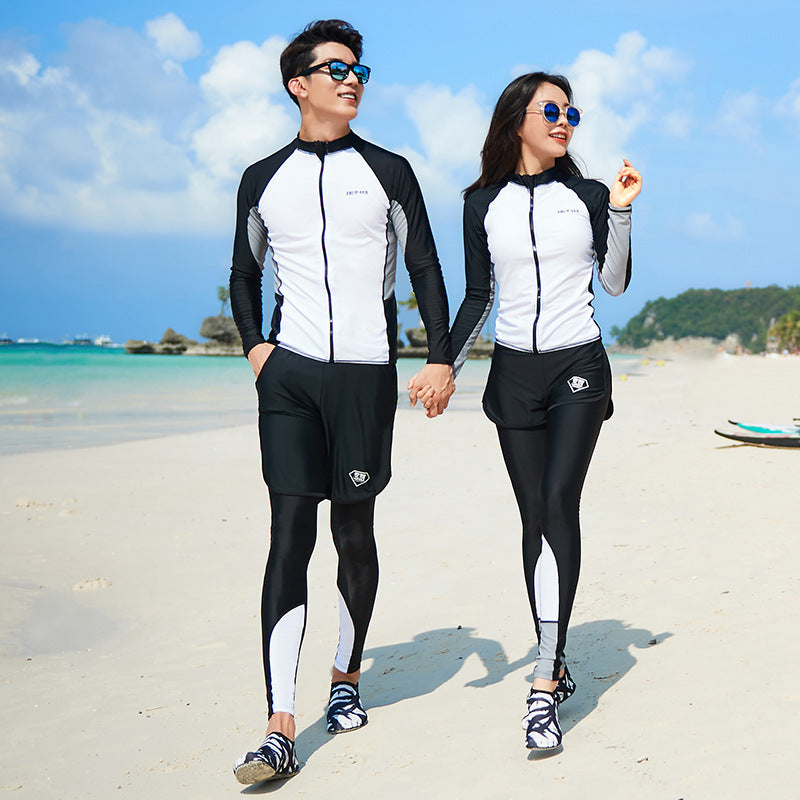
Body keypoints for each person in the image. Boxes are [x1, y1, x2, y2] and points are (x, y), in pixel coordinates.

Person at [229, 19, 454, 785]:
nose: (352, 78)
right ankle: (278, 724)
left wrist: (439, 357)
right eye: (336, 68)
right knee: (289, 534)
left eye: (359, 69)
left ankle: (346, 677)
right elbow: (244, 273)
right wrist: (257, 350)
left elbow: (425, 265)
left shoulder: (388, 170)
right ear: (298, 84)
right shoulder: (263, 178)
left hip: (365, 374)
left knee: (353, 531)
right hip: (289, 377)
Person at [427, 72, 641, 750]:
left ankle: (544, 681)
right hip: (513, 373)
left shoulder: (589, 195)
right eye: (551, 109)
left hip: (579, 363)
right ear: (516, 118)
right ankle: (556, 654)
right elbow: (478, 296)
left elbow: (614, 283)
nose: (563, 121)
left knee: (556, 503)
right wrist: (444, 365)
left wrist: (622, 211)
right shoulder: (480, 203)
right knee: (532, 519)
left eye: (571, 112)